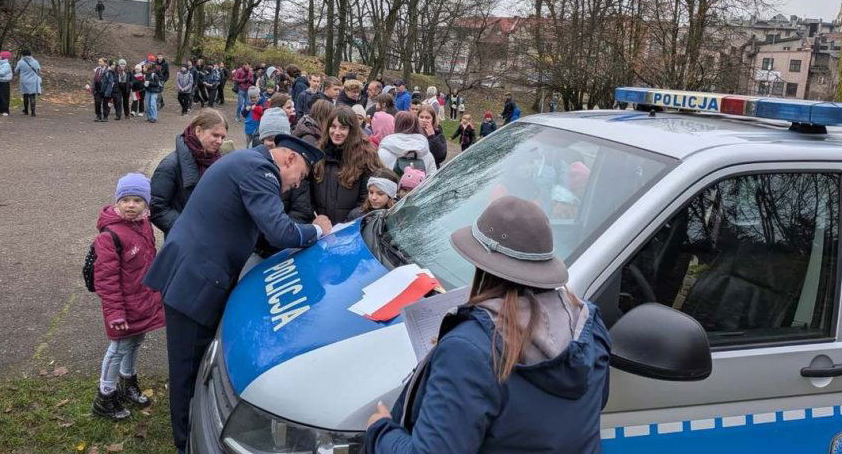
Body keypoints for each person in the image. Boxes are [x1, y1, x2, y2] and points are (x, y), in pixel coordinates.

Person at [364, 196, 611, 454]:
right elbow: (594, 400)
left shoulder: (470, 349)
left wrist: (380, 430)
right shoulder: (589, 323)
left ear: (483, 267)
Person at [144, 134, 332, 453]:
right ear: (289, 159)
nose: (295, 186)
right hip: (196, 283)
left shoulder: (247, 161)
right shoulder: (260, 172)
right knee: (187, 373)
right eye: (299, 177)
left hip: (194, 274)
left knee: (194, 367)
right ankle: (186, 444)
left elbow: (253, 228)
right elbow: (279, 230)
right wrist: (319, 230)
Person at [90, 173, 165, 421]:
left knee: (135, 342)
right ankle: (105, 396)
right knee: (119, 347)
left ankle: (127, 381)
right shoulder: (109, 236)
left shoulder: (144, 225)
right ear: (117, 202)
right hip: (122, 306)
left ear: (146, 204)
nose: (131, 205)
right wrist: (115, 313)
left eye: (137, 200)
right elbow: (107, 280)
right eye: (125, 200)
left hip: (141, 301)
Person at [242, 108, 315, 274]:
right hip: (253, 249)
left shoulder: (295, 171)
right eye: (268, 139)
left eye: (277, 139)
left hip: (282, 250)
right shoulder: (253, 166)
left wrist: (276, 231)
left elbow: (301, 212)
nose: (272, 144)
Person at [150, 109, 228, 234]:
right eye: (215, 135)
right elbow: (156, 208)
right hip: (185, 240)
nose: (220, 141)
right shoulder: (170, 165)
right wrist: (189, 228)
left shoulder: (221, 160)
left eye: (223, 137)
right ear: (198, 131)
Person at [310, 105, 382, 224]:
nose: (336, 132)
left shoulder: (366, 156)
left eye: (343, 128)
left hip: (351, 229)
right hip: (321, 229)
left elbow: (367, 199)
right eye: (333, 127)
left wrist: (349, 223)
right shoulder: (318, 154)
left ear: (352, 130)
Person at [15, 49, 41, 117]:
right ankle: (33, 112)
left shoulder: (20, 62)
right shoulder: (35, 62)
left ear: (22, 55)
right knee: (32, 96)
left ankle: (26, 110)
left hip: (24, 80)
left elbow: (16, 71)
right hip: (33, 80)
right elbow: (38, 71)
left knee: (25, 95)